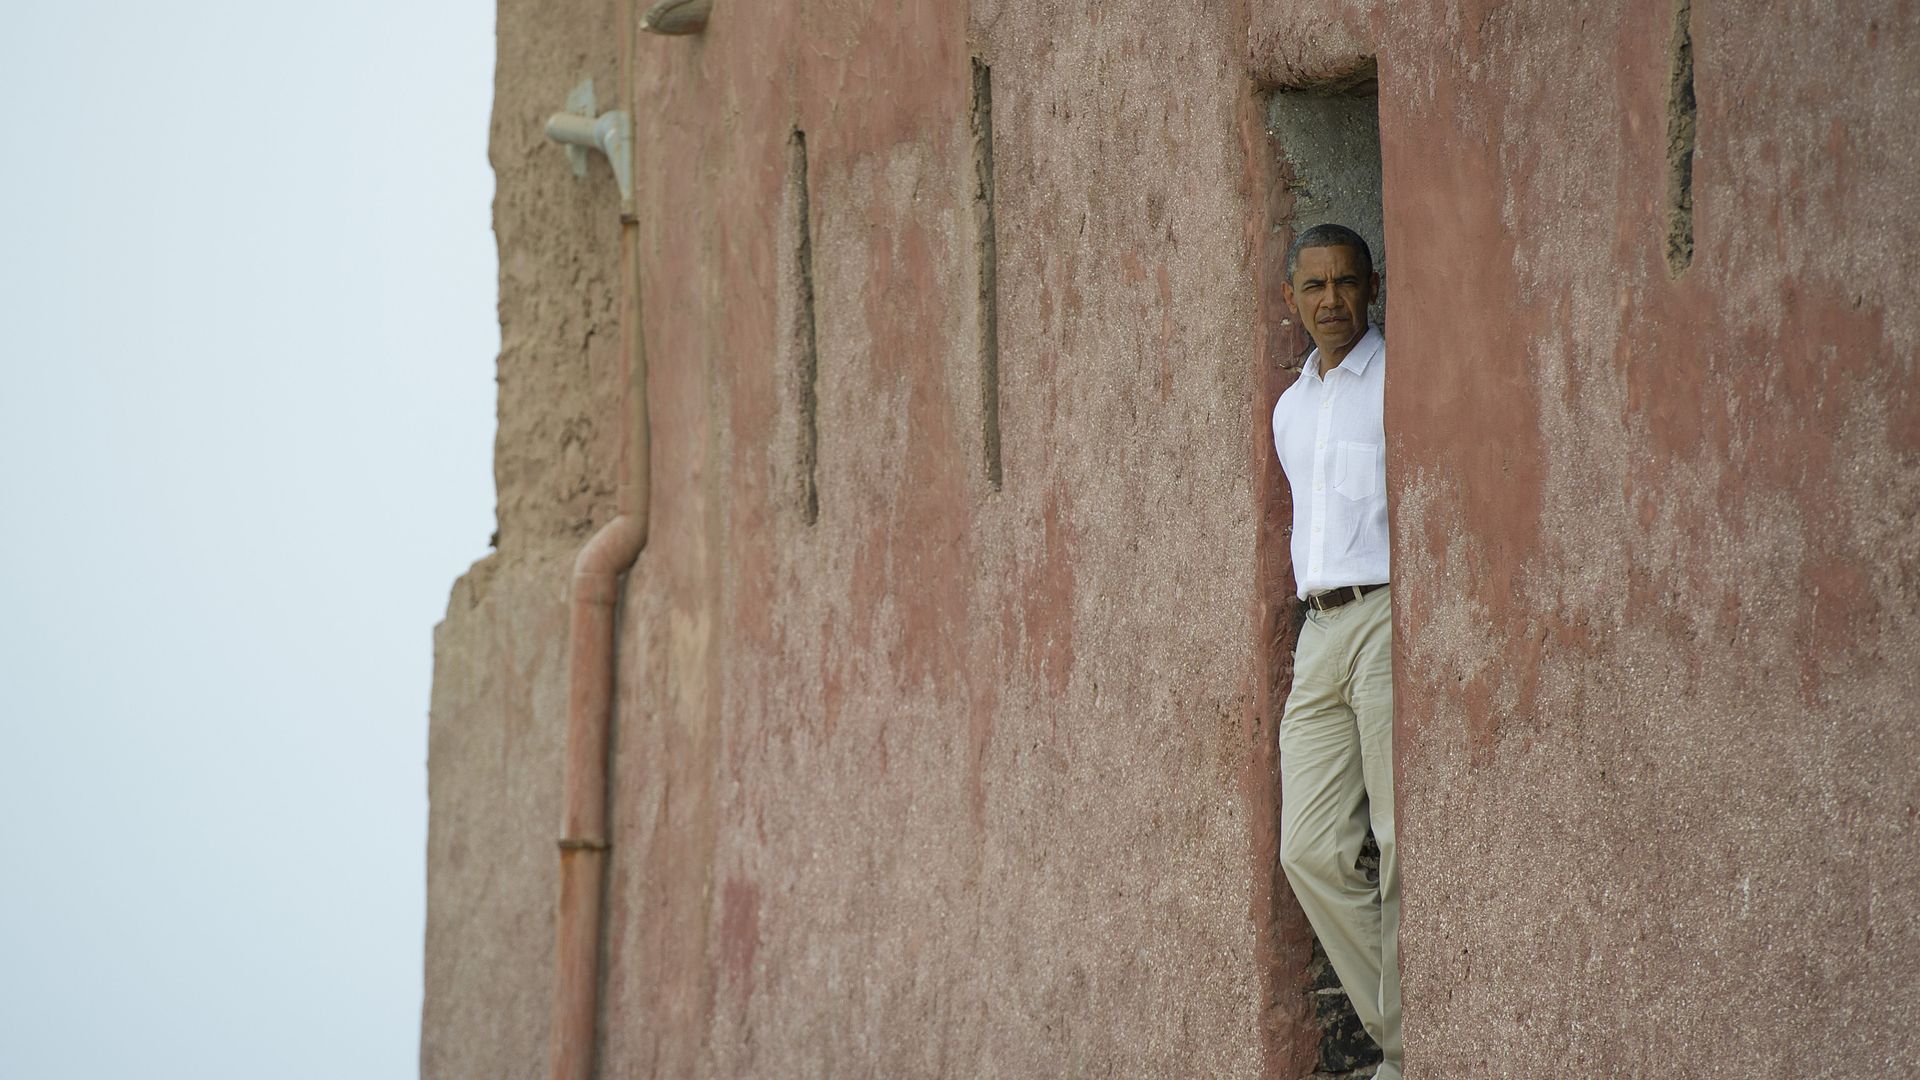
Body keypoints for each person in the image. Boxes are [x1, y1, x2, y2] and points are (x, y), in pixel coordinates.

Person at [1271, 222, 1401, 1080]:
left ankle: (1405, 1054)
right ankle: (1406, 1034)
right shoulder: (1291, 406)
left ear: (1373, 287)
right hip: (1318, 629)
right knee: (1308, 850)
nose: (1331, 301)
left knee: (1397, 842)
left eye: (1346, 283)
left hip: (1386, 615)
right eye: (1313, 287)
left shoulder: (1396, 378)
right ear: (1291, 297)